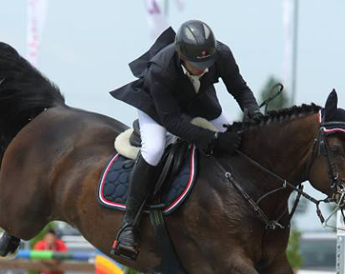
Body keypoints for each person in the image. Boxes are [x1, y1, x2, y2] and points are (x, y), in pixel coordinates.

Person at [109, 20, 263, 260]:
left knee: (234, 135)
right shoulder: (160, 69)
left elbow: (239, 88)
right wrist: (212, 140)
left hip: (197, 98)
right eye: (196, 64)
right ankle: (129, 225)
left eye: (207, 63)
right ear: (181, 54)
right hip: (158, 109)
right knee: (155, 149)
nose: (203, 69)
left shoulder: (220, 53)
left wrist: (251, 109)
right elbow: (172, 122)